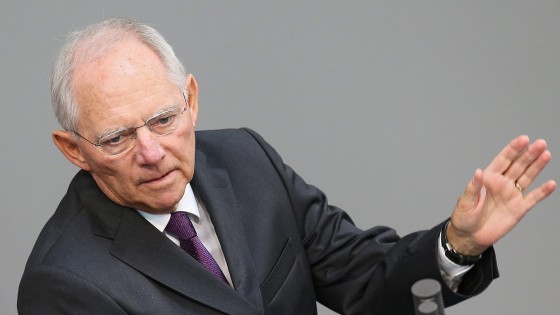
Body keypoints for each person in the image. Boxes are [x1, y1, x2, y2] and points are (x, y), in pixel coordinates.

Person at [17, 18, 556, 315]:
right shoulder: (62, 283)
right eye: (117, 137)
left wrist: (457, 245)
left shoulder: (249, 162)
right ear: (73, 149)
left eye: (162, 119)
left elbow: (368, 283)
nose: (152, 152)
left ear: (192, 99)